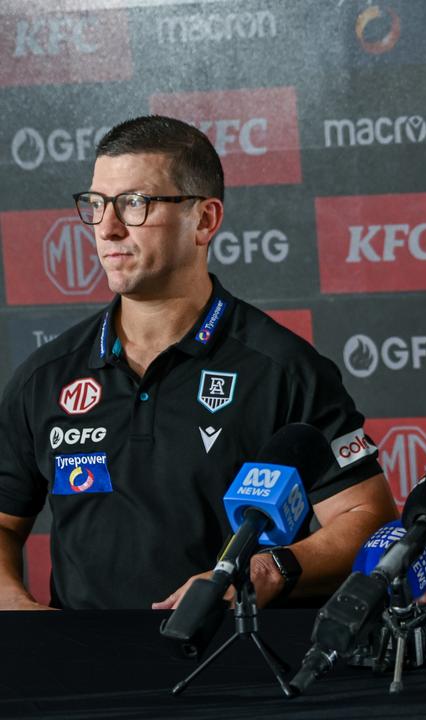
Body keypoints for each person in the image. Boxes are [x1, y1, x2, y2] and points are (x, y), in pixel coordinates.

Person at [0, 115, 398, 610]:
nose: (108, 228)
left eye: (135, 203)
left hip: (235, 668)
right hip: (86, 674)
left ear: (205, 220)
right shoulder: (46, 377)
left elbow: (368, 518)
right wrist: (14, 605)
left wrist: (264, 573)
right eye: (97, 204)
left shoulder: (284, 369)